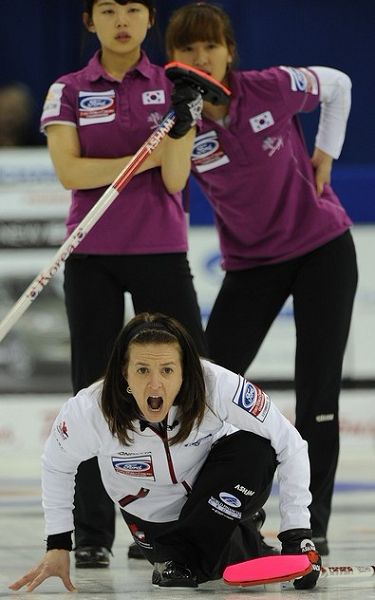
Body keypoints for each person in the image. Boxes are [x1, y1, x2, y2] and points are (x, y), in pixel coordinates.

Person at [165, 2, 358, 556]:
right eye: (189, 49)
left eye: (211, 46)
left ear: (229, 50)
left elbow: (339, 84)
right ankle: (192, 514)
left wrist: (326, 153)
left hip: (322, 248)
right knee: (202, 388)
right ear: (173, 59)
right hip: (250, 266)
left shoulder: (270, 87)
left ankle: (310, 523)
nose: (202, 57)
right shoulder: (178, 121)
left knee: (317, 392)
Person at [39, 0, 207, 568]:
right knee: (95, 389)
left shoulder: (174, 84)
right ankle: (90, 533)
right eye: (108, 9)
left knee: (184, 384)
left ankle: (179, 524)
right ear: (90, 20)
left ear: (150, 19)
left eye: (133, 8)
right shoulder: (67, 88)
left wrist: (179, 128)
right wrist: (144, 157)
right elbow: (70, 171)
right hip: (93, 254)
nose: (121, 20)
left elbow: (178, 175)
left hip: (161, 249)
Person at [9, 312, 321, 592]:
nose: (155, 384)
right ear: (123, 372)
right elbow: (57, 465)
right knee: (214, 563)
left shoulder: (216, 384)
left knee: (256, 449)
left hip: (208, 494)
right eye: (142, 370)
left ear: (185, 372)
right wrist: (58, 544)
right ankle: (235, 536)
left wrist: (296, 533)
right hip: (153, 519)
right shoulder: (91, 410)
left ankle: (204, 546)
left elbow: (289, 442)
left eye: (168, 370)